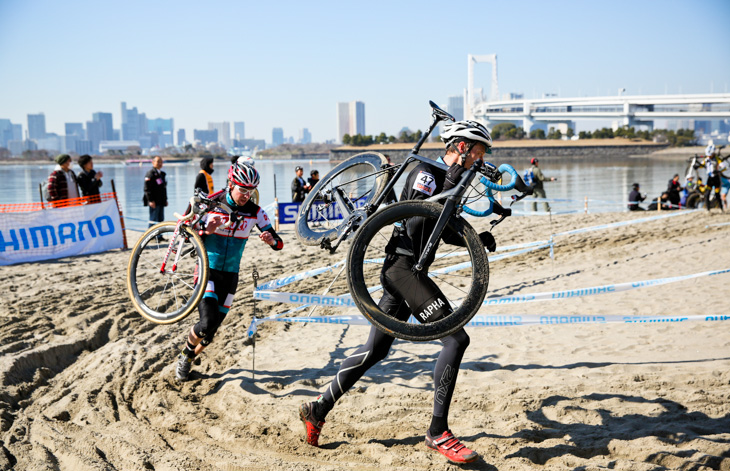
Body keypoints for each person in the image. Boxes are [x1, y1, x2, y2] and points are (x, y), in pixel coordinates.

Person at [299, 120, 509, 464]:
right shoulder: (426, 172)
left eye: (482, 154)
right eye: (477, 153)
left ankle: (317, 408)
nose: (478, 160)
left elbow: (442, 229)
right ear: (460, 148)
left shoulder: (451, 181)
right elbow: (415, 222)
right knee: (456, 340)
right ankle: (438, 432)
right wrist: (452, 182)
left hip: (410, 272)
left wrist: (475, 238)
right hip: (402, 269)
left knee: (374, 351)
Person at [175, 162, 284, 381]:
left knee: (211, 333)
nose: (246, 195)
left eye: (251, 191)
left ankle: (188, 356)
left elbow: (279, 243)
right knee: (206, 323)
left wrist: (272, 240)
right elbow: (185, 234)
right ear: (231, 184)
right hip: (208, 270)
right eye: (242, 190)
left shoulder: (255, 212)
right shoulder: (212, 203)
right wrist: (207, 230)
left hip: (231, 275)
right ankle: (185, 357)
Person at [143, 156, 168, 235]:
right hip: (154, 201)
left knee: (160, 219)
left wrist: (165, 200)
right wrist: (150, 200)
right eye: (158, 161)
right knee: (153, 219)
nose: (160, 163)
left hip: (161, 200)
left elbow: (163, 188)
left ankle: (159, 236)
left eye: (161, 162)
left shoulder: (162, 174)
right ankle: (149, 236)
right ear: (153, 162)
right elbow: (147, 188)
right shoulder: (150, 173)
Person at [701, 143, 724, 211]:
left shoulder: (717, 159)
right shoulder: (706, 159)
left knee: (717, 195)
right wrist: (697, 166)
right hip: (710, 178)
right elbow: (702, 165)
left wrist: (718, 171)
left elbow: (724, 167)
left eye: (710, 155)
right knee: (707, 194)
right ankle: (708, 209)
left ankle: (721, 208)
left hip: (716, 179)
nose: (709, 156)